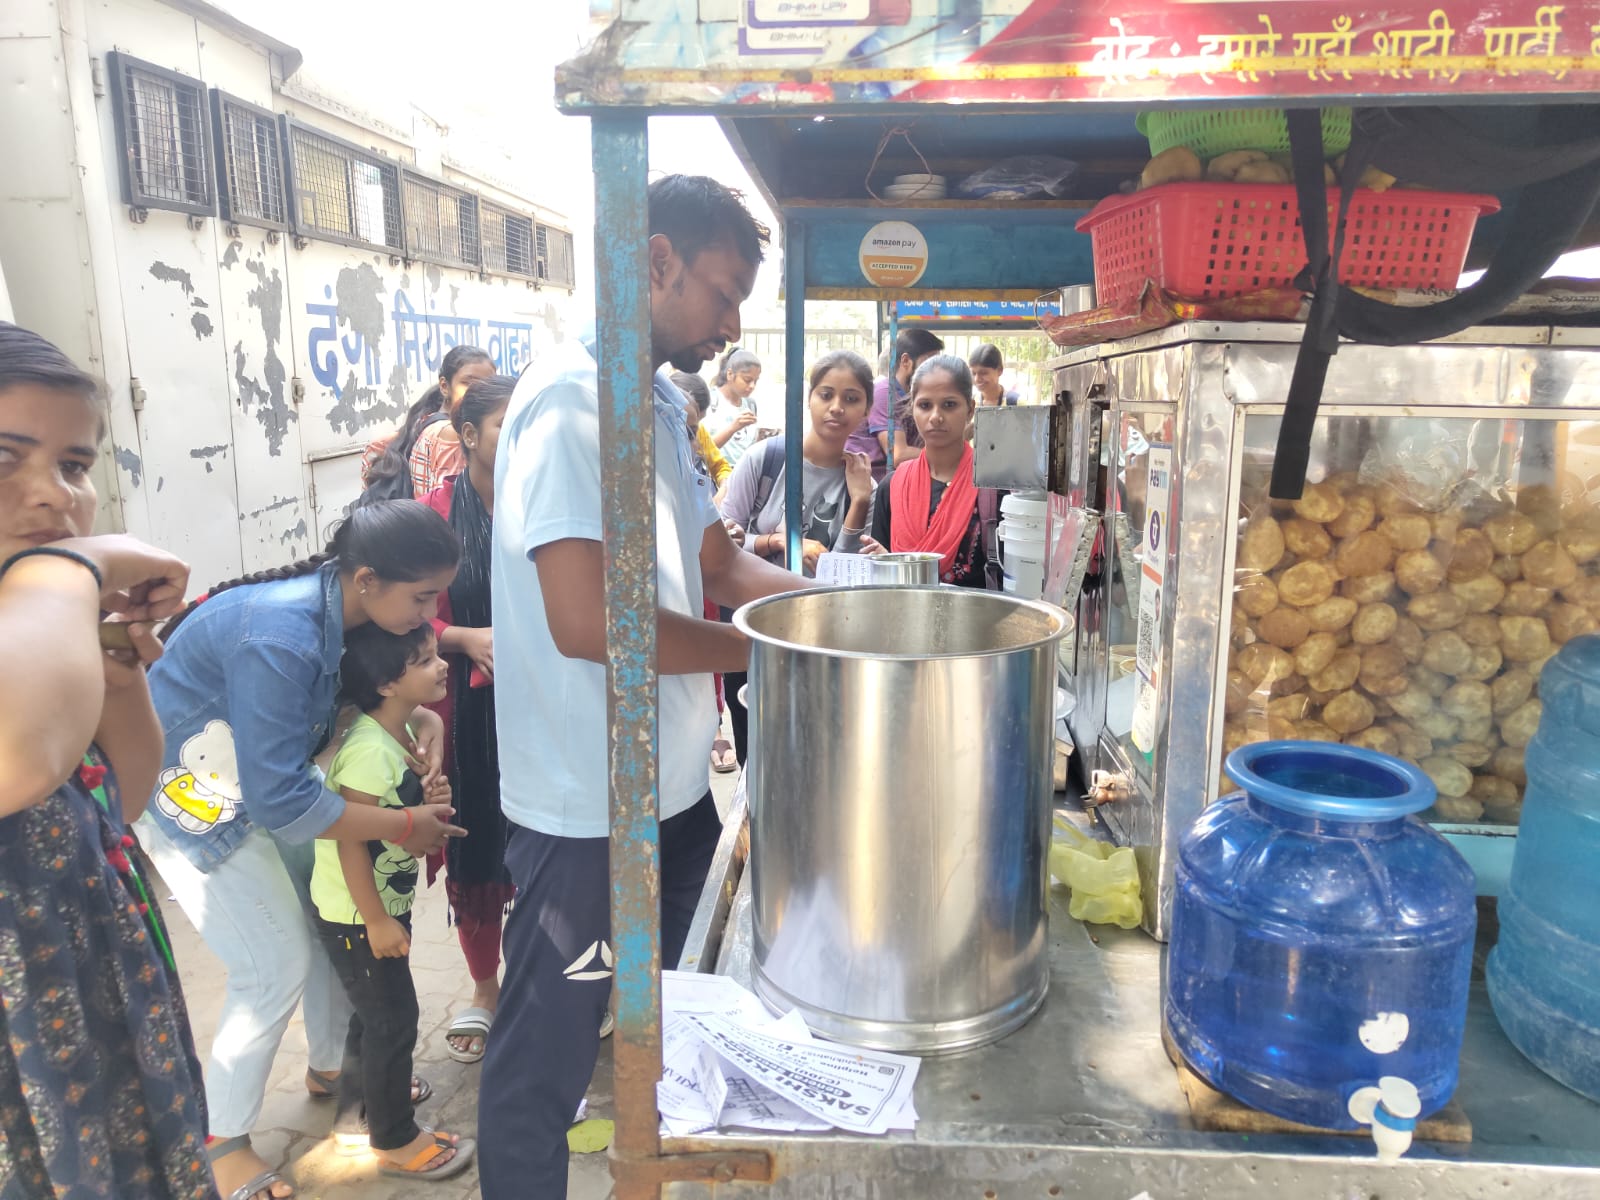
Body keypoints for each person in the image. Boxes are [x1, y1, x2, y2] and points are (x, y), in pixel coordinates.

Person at [477, 174, 809, 1200]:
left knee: (685, 1019)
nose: (732, 324)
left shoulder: (657, 401)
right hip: (586, 805)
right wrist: (779, 653)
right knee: (547, 1056)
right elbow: (588, 623)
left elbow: (718, 564)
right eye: (724, 292)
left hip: (670, 788)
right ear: (656, 260)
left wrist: (842, 615)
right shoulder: (571, 406)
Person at [140, 500, 467, 1200]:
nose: (430, 615)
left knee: (324, 923)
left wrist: (421, 719)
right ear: (368, 580)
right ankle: (220, 1141)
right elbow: (283, 801)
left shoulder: (349, 610)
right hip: (192, 796)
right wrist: (402, 825)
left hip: (254, 781)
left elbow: (343, 712)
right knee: (273, 962)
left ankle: (332, 1068)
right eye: (421, 598)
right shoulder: (283, 635)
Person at [0, 322, 217, 1199]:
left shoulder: (35, 634)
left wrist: (118, 674)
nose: (52, 497)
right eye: (5, 458)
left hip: (97, 1020)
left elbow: (116, 800)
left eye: (73, 466)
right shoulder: (42, 607)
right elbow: (19, 761)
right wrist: (77, 562)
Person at [310, 624, 476, 1180]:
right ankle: (395, 1138)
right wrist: (378, 920)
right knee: (393, 1019)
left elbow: (395, 811)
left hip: (375, 906)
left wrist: (429, 798)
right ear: (386, 684)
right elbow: (349, 839)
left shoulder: (396, 731)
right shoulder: (366, 753)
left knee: (374, 1015)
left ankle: (356, 1119)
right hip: (360, 913)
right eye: (424, 660)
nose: (442, 665)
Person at [416, 375, 517, 1064]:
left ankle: (557, 975)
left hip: (545, 704)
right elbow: (397, 612)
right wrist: (462, 638)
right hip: (464, 712)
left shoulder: (547, 506)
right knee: (474, 841)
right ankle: (485, 987)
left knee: (551, 845)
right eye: (508, 424)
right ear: (470, 435)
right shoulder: (431, 518)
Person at [716, 350, 875, 766]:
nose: (837, 407)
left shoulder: (863, 484)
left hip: (821, 636)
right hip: (751, 627)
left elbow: (841, 575)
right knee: (755, 756)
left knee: (813, 756)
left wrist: (859, 503)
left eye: (851, 398)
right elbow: (721, 544)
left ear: (866, 410)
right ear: (809, 399)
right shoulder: (766, 459)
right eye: (826, 394)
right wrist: (781, 543)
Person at [860, 354, 1000, 589]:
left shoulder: (994, 488)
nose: (936, 417)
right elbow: (879, 581)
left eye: (949, 404)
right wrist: (888, 565)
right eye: (925, 405)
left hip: (976, 613)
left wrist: (900, 567)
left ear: (970, 409)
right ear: (912, 408)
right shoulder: (893, 486)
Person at [360, 346, 495, 500]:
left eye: (489, 385)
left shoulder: (419, 424)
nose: (479, 392)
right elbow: (450, 506)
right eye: (468, 383)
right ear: (444, 386)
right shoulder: (452, 434)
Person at [856, 328, 944, 481]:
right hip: (872, 484)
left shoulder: (909, 397)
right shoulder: (885, 393)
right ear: (905, 361)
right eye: (929, 363)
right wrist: (948, 454)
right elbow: (898, 455)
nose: (935, 372)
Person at [671, 370, 732, 491]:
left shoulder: (699, 431)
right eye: (688, 431)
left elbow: (720, 466)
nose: (695, 442)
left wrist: (724, 488)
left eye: (698, 422)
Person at [706, 346, 762, 466]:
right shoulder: (710, 401)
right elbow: (702, 451)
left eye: (756, 381)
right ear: (730, 374)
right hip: (717, 473)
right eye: (747, 380)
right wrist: (732, 428)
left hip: (743, 473)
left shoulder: (750, 404)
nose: (752, 386)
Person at [969, 343, 1020, 408]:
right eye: (973, 373)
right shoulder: (969, 404)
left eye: (983, 373)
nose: (977, 379)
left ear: (999, 370)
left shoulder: (1017, 403)